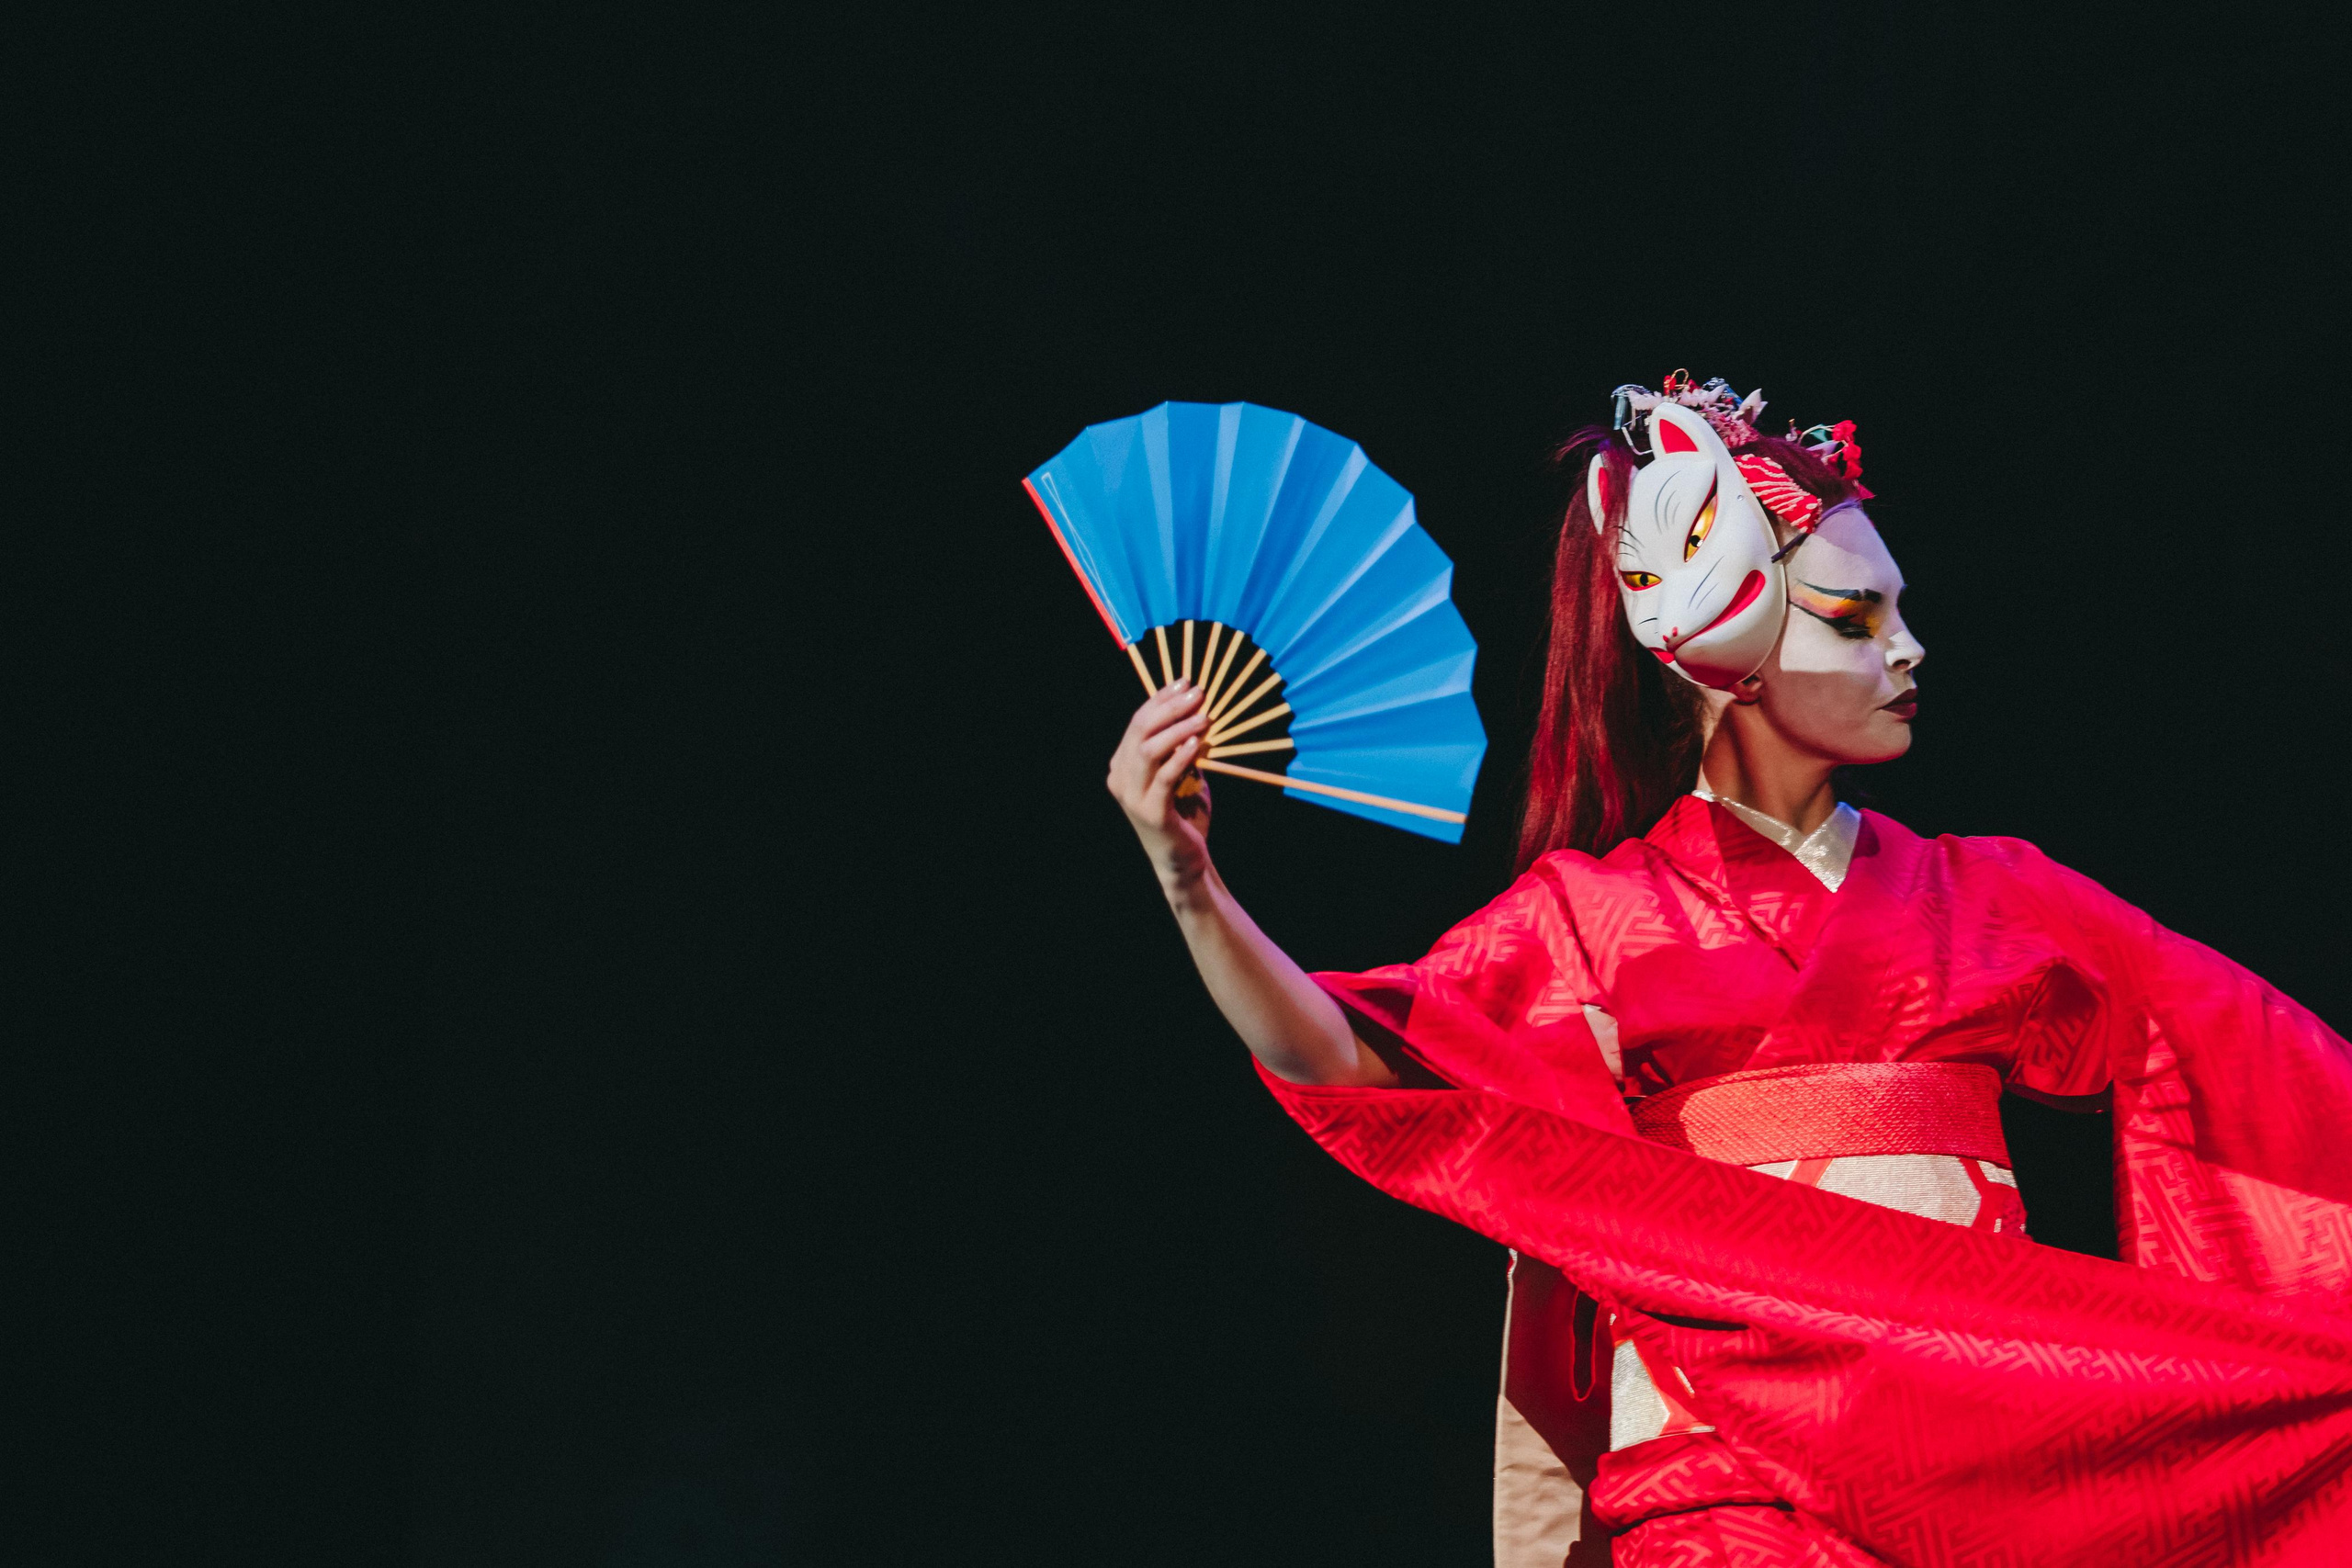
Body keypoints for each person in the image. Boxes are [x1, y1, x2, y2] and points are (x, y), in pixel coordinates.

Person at [1102, 376, 2352, 1566]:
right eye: (1859, 617)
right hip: (1724, 1470)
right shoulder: (1595, 920)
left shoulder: (1997, 895)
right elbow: (1349, 1062)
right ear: (1728, 635)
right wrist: (1190, 885)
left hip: (1985, 1468)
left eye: (1899, 611)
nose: (1909, 650)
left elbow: (2271, 1067)